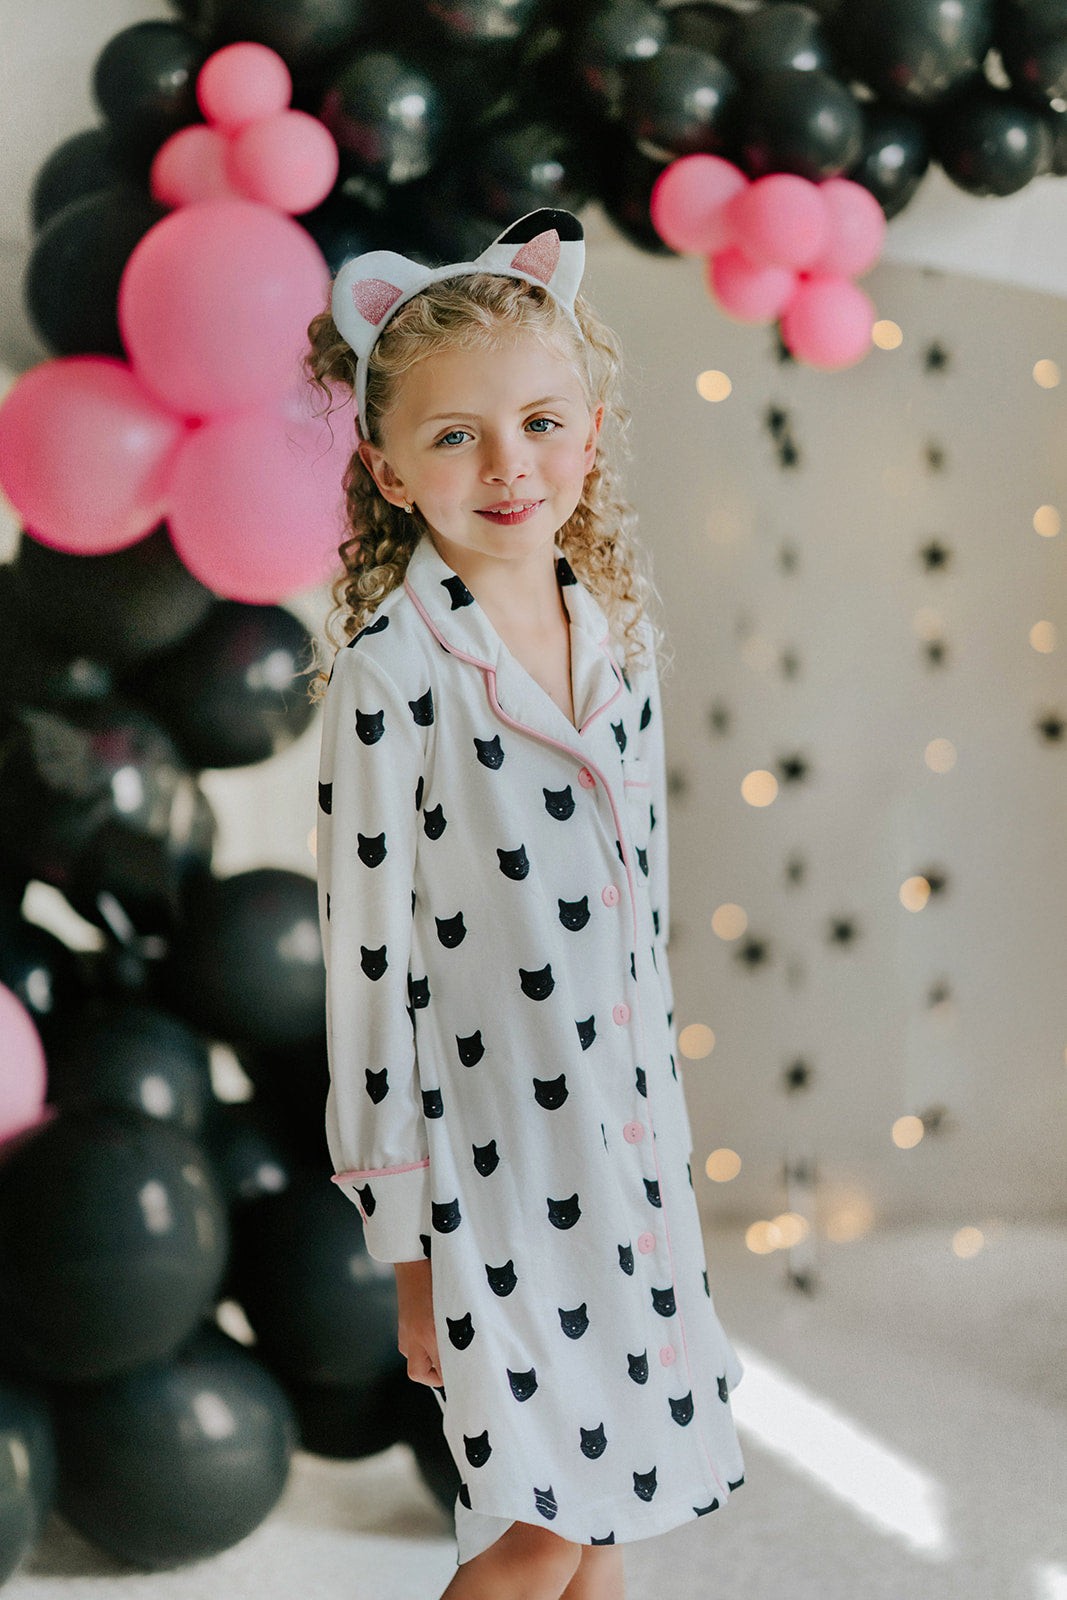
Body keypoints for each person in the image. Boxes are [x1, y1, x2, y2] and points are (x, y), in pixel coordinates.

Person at [303, 209, 746, 1600]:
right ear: (385, 468)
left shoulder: (612, 633)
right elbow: (367, 970)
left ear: (592, 432)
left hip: (627, 1142)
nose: (509, 465)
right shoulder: (394, 676)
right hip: (493, 1169)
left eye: (542, 421)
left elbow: (644, 908)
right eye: (456, 436)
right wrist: (407, 1245)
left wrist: (667, 1142)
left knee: (616, 1513)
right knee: (538, 1528)